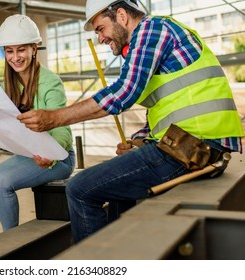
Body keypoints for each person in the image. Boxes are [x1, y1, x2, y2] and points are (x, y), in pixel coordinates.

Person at [17, 0, 244, 243]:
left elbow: (124, 91)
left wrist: (54, 118)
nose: (101, 38)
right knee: (114, 188)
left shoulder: (152, 30)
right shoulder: (155, 42)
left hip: (194, 147)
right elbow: (161, 111)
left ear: (122, 16)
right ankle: (121, 255)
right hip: (189, 145)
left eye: (100, 29)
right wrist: (138, 142)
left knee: (80, 189)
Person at [0, 14, 75, 248]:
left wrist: (51, 155)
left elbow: (63, 129)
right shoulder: (10, 84)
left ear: (34, 48)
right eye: (9, 51)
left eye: (21, 50)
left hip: (57, 158)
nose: (15, 57)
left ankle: (13, 247)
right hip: (28, 154)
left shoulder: (50, 82)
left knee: (1, 183)